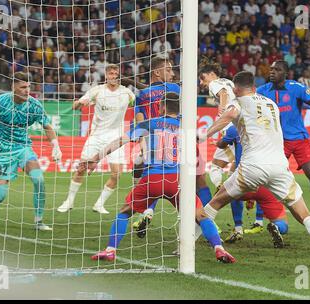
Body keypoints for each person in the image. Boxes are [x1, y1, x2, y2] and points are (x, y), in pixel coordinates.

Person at [197, 71, 310, 263]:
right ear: (254, 87)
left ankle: (186, 246)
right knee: (304, 214)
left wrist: (202, 135)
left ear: (236, 89)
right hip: (279, 167)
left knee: (212, 205)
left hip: (252, 168)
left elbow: (228, 115)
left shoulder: (237, 103)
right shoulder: (272, 105)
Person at [84, 93, 235, 263]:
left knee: (125, 212)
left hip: (151, 179)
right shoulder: (185, 126)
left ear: (162, 107)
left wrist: (95, 158)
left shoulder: (148, 124)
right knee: (201, 215)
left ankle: (110, 250)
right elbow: (200, 142)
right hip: (176, 181)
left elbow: (121, 141)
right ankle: (219, 248)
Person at [130, 57, 212, 236]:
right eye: (168, 70)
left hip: (155, 143)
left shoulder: (140, 96)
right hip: (181, 140)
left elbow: (139, 119)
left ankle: (147, 211)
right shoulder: (175, 89)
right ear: (157, 72)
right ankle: (206, 220)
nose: (173, 74)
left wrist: (143, 143)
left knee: (154, 179)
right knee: (198, 181)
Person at [0, 72, 62, 231]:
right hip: (2, 150)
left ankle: (39, 221)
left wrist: (56, 145)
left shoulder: (34, 105)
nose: (27, 90)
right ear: (13, 87)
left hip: (23, 147)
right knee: (0, 195)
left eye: (28, 87)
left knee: (38, 179)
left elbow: (48, 127)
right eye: (23, 87)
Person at [257, 60, 310, 233]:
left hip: (300, 139)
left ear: (285, 73)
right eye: (271, 69)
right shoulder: (262, 91)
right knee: (265, 177)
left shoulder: (296, 87)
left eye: (276, 70)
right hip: (278, 142)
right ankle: (258, 221)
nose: (272, 72)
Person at [57, 64, 135, 214]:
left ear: (119, 75)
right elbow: (75, 106)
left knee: (116, 174)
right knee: (81, 169)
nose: (113, 76)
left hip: (116, 138)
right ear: (106, 75)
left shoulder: (127, 93)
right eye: (111, 73)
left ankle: (99, 204)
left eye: (116, 73)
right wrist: (79, 103)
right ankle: (69, 201)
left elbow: (139, 105)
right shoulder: (97, 91)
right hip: (97, 136)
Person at [198, 60, 264, 238]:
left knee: (218, 170)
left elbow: (223, 95)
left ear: (211, 74)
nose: (202, 83)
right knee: (233, 172)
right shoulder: (229, 81)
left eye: (202, 78)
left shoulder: (215, 83)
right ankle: (244, 223)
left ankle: (223, 192)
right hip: (243, 129)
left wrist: (221, 109)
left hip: (231, 128)